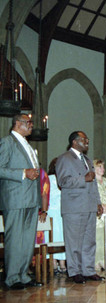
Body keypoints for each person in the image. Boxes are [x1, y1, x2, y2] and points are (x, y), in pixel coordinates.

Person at [0, 114, 44, 289]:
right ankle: (11, 277)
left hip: (31, 199)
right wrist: (23, 173)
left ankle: (24, 275)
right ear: (18, 124)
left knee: (27, 239)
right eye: (29, 123)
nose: (31, 126)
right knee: (15, 238)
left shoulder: (28, 145)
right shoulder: (7, 142)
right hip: (15, 198)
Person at [56, 131, 104, 283]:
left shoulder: (87, 160)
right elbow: (62, 181)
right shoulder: (64, 158)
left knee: (89, 241)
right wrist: (82, 179)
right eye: (84, 139)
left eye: (87, 139)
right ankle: (75, 271)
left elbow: (94, 183)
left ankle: (88, 270)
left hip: (89, 205)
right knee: (74, 242)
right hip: (74, 207)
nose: (87, 141)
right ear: (74, 142)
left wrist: (98, 202)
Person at [46, 158, 66, 275]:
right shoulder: (48, 179)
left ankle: (63, 263)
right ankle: (53, 263)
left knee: (63, 237)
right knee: (53, 237)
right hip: (52, 212)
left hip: (63, 212)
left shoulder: (65, 179)